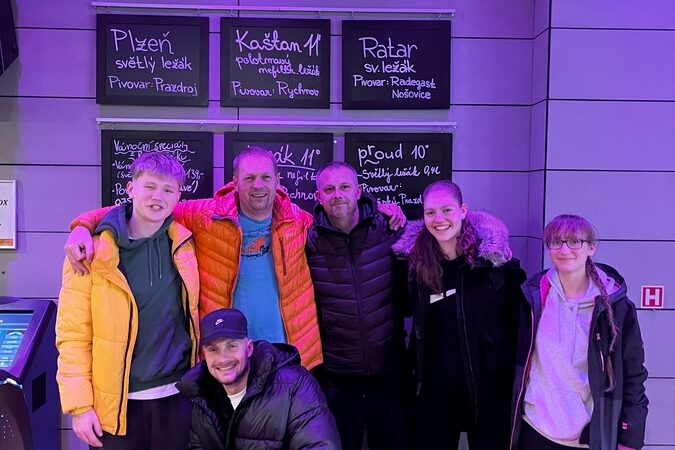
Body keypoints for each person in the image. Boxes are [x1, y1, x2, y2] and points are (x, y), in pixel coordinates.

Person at [64, 147, 405, 370]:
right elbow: (144, 208)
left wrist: (383, 211)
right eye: (249, 178)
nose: (258, 185)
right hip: (228, 359)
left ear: (277, 182)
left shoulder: (299, 221)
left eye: (266, 177)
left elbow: (344, 213)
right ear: (235, 182)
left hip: (290, 356)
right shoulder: (205, 216)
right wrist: (83, 225)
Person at [55, 152, 200, 449]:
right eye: (150, 186)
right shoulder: (89, 253)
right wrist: (79, 407)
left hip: (177, 398)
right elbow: (73, 335)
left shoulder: (186, 244)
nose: (157, 197)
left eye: (168, 189)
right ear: (131, 188)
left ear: (178, 196)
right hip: (116, 407)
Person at [393, 180, 526, 450]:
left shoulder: (493, 263)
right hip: (434, 390)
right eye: (430, 212)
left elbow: (517, 323)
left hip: (488, 390)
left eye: (447, 210)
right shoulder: (413, 264)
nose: (438, 219)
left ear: (463, 210)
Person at [510, 214, 648, 450]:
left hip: (587, 436)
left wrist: (629, 437)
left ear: (591, 248)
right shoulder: (532, 299)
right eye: (556, 242)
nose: (565, 249)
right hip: (534, 429)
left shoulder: (616, 308)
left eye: (574, 241)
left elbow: (633, 374)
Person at [306, 161, 410, 450]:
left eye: (344, 187)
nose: (337, 194)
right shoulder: (308, 241)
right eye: (329, 189)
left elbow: (437, 238)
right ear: (318, 196)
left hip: (389, 370)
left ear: (358, 191)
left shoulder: (389, 228)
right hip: (338, 376)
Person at [177, 307, 341, 450]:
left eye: (231, 346)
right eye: (213, 350)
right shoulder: (202, 394)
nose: (223, 358)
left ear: (249, 348)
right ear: (204, 356)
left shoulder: (294, 384)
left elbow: (321, 446)